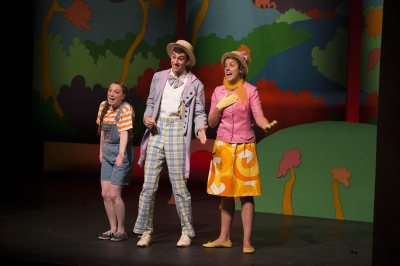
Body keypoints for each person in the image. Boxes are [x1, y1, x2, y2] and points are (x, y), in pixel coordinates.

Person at [134, 40, 208, 247]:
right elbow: (150, 102)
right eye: (174, 57)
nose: (176, 61)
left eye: (180, 58)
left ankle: (186, 231)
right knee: (148, 185)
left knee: (179, 186)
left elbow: (200, 112)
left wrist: (200, 129)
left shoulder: (195, 84)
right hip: (157, 130)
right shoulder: (159, 77)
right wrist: (147, 117)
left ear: (187, 61)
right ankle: (146, 231)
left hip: (177, 130)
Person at [202, 50, 276, 254]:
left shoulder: (251, 91)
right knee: (225, 194)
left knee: (246, 195)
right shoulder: (218, 91)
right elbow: (211, 122)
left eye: (232, 64)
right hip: (224, 145)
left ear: (241, 69)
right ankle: (224, 238)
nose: (227, 68)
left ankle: (246, 241)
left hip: (245, 147)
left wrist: (266, 125)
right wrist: (218, 107)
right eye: (225, 65)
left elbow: (259, 116)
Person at [96, 81, 135, 242]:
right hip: (107, 152)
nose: (112, 94)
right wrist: (100, 151)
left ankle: (121, 229)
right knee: (105, 194)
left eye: (116, 92)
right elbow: (103, 133)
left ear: (123, 95)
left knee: (114, 193)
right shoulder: (103, 106)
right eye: (110, 90)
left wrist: (120, 154)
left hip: (122, 152)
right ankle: (112, 228)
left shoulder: (126, 109)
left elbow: (125, 132)